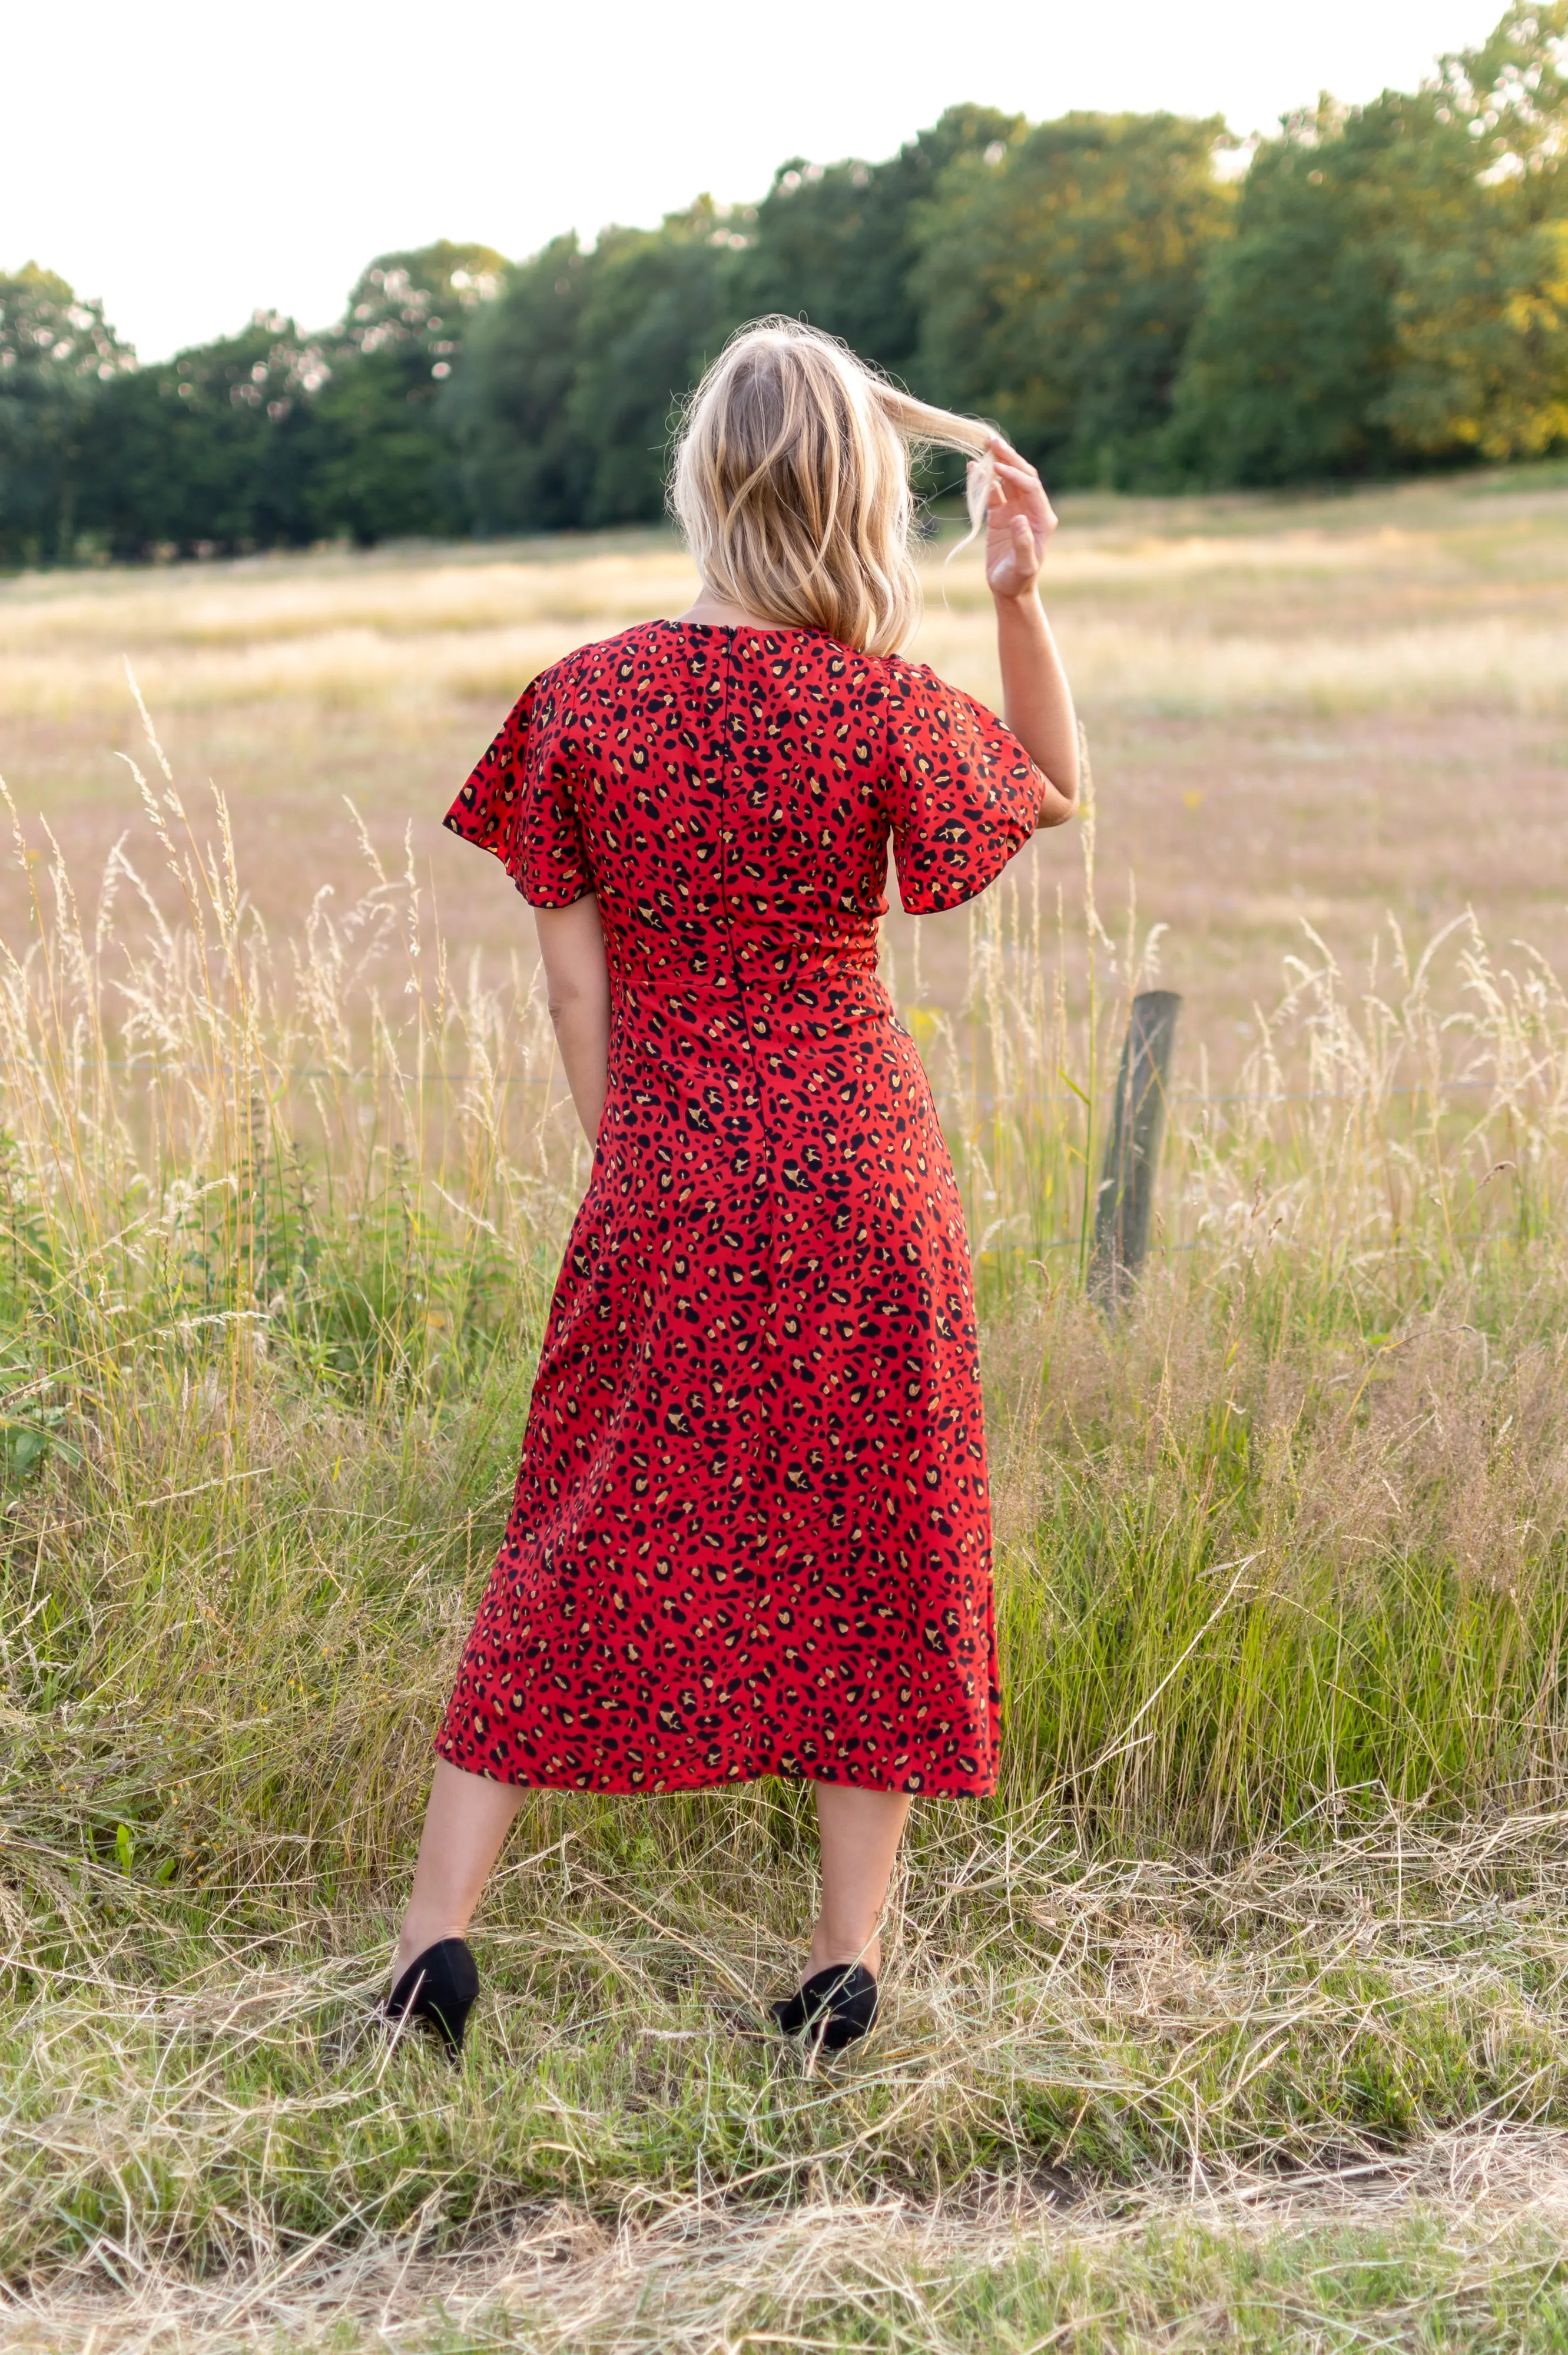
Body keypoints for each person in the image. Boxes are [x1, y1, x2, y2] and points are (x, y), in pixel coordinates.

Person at [385, 318, 1079, 2058]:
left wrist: (631, 1163)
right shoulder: (882, 706)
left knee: (575, 1531)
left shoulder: (581, 699)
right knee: (882, 1542)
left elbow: (570, 984)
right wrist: (1014, 598)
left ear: (701, 481)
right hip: (861, 1171)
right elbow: (1053, 799)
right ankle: (842, 1969)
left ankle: (430, 1951)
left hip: (669, 1170)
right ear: (861, 501)